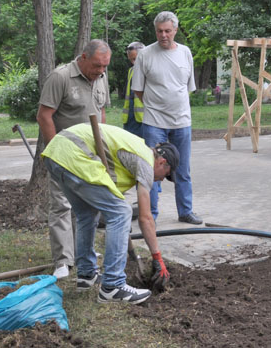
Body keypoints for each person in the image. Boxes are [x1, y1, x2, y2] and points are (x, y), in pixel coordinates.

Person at [42, 123, 175, 304]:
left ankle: (86, 275)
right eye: (166, 175)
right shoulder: (146, 162)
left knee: (87, 215)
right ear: (162, 162)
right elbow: (145, 217)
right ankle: (112, 286)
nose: (161, 180)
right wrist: (157, 257)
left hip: (57, 153)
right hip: (73, 154)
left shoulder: (136, 152)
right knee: (121, 213)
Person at [36, 39, 112, 279]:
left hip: (90, 155)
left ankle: (83, 253)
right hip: (65, 153)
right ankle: (63, 260)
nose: (100, 71)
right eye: (97, 66)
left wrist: (103, 148)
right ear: (84, 57)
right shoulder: (60, 78)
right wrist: (57, 151)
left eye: (104, 67)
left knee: (88, 205)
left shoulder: (101, 78)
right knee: (61, 204)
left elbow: (101, 113)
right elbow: (44, 116)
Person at [132, 11, 202, 225]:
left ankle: (185, 211)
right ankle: (150, 214)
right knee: (150, 169)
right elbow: (138, 90)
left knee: (183, 169)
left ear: (175, 31)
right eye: (160, 31)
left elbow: (186, 87)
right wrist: (157, 106)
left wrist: (173, 104)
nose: (163, 35)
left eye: (167, 31)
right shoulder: (145, 55)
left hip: (181, 121)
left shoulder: (185, 52)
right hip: (154, 122)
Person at [123, 42, 145, 137]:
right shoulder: (131, 71)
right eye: (131, 60)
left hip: (144, 120)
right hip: (130, 119)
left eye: (135, 59)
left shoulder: (150, 70)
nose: (133, 62)